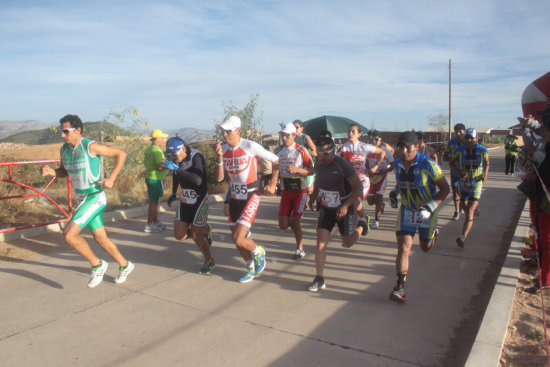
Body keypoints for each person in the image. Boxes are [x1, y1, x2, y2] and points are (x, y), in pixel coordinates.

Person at [40, 114, 134, 288]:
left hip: (95, 197)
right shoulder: (65, 150)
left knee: (69, 234)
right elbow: (64, 171)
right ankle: (125, 264)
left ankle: (97, 265)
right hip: (81, 199)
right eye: (61, 131)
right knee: (100, 238)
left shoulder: (90, 146)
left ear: (78, 130)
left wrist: (111, 178)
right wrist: (51, 172)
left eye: (66, 131)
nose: (62, 135)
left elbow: (120, 154)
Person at [214, 115, 279, 283]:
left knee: (238, 238)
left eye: (228, 131)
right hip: (234, 197)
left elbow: (276, 161)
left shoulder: (250, 146)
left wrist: (272, 184)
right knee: (236, 238)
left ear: (238, 130)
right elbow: (220, 178)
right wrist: (219, 158)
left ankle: (259, 252)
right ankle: (249, 266)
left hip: (251, 195)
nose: (225, 134)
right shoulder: (224, 150)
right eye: (223, 131)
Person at [389, 131, 449, 302]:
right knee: (403, 248)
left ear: (416, 147)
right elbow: (401, 184)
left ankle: (433, 235)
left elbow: (445, 189)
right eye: (401, 147)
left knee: (425, 247)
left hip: (426, 212)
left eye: (407, 147)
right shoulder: (397, 164)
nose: (404, 150)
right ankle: (400, 287)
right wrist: (393, 194)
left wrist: (430, 207)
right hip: (407, 211)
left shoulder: (428, 164)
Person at [307, 136, 368, 292]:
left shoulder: (343, 165)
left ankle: (361, 226)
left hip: (344, 207)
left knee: (347, 243)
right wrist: (313, 197)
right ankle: (319, 278)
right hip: (327, 208)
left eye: (326, 153)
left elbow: (358, 188)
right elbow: (318, 180)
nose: (322, 156)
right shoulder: (318, 163)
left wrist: (346, 206)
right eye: (319, 153)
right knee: (321, 242)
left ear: (333, 150)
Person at [164, 137, 215, 274]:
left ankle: (209, 260)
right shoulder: (177, 161)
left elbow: (198, 180)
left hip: (199, 199)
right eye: (170, 156)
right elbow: (176, 176)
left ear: (183, 149)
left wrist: (177, 169)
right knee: (179, 235)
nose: (173, 158)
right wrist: (174, 193)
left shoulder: (196, 156)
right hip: (186, 199)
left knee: (195, 234)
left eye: (174, 155)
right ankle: (204, 229)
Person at [274, 123, 314, 259]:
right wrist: (276, 180)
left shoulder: (302, 150)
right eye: (282, 135)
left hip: (300, 191)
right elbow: (275, 169)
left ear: (293, 136)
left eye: (287, 135)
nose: (284, 138)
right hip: (286, 192)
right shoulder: (277, 151)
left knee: (295, 222)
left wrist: (298, 170)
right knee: (283, 225)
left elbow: (312, 170)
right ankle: (295, 226)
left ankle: (300, 248)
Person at [336, 123, 385, 233]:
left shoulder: (364, 146)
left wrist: (376, 165)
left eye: (353, 131)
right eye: (348, 131)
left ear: (359, 134)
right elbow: (335, 162)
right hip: (349, 181)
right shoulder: (343, 148)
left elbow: (382, 152)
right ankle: (360, 222)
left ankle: (360, 222)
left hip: (362, 180)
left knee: (355, 202)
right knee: (353, 205)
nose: (350, 133)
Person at [449, 128, 490, 248]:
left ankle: (462, 237)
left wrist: (485, 173)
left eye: (472, 138)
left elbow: (487, 163)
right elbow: (451, 163)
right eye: (467, 138)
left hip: (476, 182)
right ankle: (472, 212)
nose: (469, 140)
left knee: (469, 212)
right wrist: (458, 172)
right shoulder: (459, 149)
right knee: (465, 207)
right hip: (463, 182)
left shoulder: (483, 150)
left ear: (477, 138)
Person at [365, 130, 394, 229]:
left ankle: (376, 220)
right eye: (372, 139)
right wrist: (368, 170)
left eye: (376, 139)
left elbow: (393, 165)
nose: (374, 141)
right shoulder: (368, 150)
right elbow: (365, 163)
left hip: (382, 177)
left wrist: (385, 171)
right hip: (372, 177)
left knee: (378, 197)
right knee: (370, 201)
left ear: (380, 140)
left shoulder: (386, 151)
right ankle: (381, 204)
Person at [143, 129, 169, 233]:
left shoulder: (148, 149)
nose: (163, 140)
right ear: (157, 138)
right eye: (162, 138)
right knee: (154, 203)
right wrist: (168, 165)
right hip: (156, 179)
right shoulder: (157, 151)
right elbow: (159, 167)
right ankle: (149, 224)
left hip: (149, 177)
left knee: (154, 201)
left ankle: (155, 221)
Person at [443, 123, 466, 221]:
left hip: (466, 173)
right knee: (455, 192)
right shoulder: (452, 143)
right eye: (456, 132)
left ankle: (463, 205)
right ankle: (456, 210)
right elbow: (445, 157)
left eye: (460, 132)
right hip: (454, 171)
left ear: (464, 131)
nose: (458, 134)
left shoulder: (468, 142)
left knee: (465, 192)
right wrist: (453, 159)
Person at [293, 120, 317, 197]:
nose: (295, 129)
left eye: (297, 127)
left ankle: (313, 201)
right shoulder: (292, 138)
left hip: (307, 165)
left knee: (309, 190)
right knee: (298, 189)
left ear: (302, 128)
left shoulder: (305, 137)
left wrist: (302, 153)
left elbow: (314, 152)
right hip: (297, 166)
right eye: (293, 127)